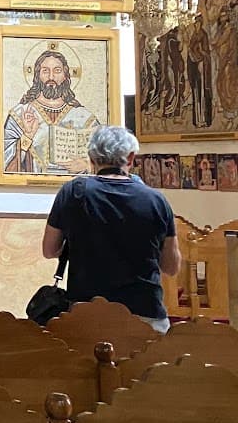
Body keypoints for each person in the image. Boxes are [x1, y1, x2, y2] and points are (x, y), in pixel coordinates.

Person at [42, 126, 178, 334]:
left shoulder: (73, 192)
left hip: (86, 313)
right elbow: (171, 266)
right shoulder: (156, 200)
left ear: (91, 158)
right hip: (144, 313)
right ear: (131, 158)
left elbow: (49, 249)